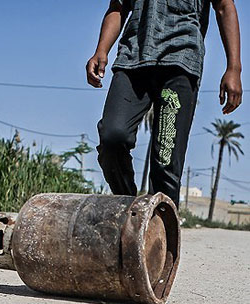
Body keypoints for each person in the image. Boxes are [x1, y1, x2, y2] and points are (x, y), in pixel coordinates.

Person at [86, 0, 242, 207]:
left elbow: (224, 7)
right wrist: (101, 49)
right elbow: (118, 8)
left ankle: (162, 232)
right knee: (112, 137)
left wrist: (234, 67)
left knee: (166, 162)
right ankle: (128, 206)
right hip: (133, 59)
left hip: (180, 61)